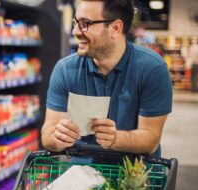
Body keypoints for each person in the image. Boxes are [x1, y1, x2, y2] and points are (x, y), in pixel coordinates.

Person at [41, 0, 172, 157]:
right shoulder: (65, 69)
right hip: (80, 173)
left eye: (85, 23)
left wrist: (116, 138)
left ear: (115, 28)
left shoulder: (152, 69)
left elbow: (151, 140)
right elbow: (47, 134)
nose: (75, 31)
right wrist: (57, 138)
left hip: (134, 175)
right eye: (75, 22)